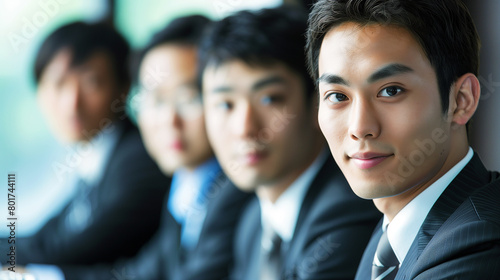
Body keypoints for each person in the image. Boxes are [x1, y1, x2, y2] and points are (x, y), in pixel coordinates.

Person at [30, 15, 252, 280]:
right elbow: (140, 274)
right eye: (156, 101)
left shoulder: (238, 187)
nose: (170, 120)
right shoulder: (184, 187)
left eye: (188, 98)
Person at [306, 0, 500, 279]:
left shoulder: (481, 246)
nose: (360, 127)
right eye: (337, 96)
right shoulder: (393, 230)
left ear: (461, 100)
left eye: (391, 91)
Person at [199, 6, 381, 279]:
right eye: (225, 104)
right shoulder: (251, 220)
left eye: (270, 99)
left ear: (316, 104)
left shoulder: (345, 210)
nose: (245, 128)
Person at [10, 21, 169, 270]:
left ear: (123, 88)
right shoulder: (95, 156)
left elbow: (75, 251)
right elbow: (45, 238)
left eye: (91, 83)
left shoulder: (139, 160)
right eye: (58, 83)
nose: (71, 104)